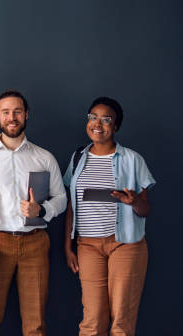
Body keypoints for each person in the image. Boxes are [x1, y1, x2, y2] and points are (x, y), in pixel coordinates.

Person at [0, 89, 67, 336]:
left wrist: (43, 209)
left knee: (36, 323)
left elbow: (61, 198)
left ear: (26, 115)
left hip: (35, 243)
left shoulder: (44, 157)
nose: (12, 117)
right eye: (6, 112)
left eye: (17, 111)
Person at [63, 97, 155, 336]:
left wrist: (133, 200)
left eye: (106, 119)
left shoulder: (132, 160)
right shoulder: (77, 159)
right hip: (88, 246)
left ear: (115, 126)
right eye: (93, 117)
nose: (98, 124)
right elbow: (72, 206)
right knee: (92, 321)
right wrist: (68, 246)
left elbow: (146, 209)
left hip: (125, 244)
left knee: (121, 322)